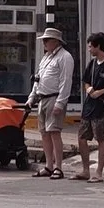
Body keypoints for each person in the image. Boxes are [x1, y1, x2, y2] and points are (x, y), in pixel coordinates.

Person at [31, 27, 75, 179]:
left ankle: (58, 167)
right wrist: (32, 96)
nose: (44, 43)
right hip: (42, 98)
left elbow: (65, 81)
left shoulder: (65, 57)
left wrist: (60, 102)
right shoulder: (46, 57)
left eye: (47, 40)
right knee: (44, 133)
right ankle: (49, 165)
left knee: (54, 132)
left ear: (56, 41)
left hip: (54, 98)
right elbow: (38, 78)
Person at [77, 32, 104, 182]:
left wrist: (102, 91)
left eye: (91, 47)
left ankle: (99, 172)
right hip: (89, 105)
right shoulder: (92, 64)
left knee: (101, 139)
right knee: (82, 137)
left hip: (102, 106)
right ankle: (85, 170)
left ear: (98, 46)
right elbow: (86, 81)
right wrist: (89, 89)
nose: (89, 49)